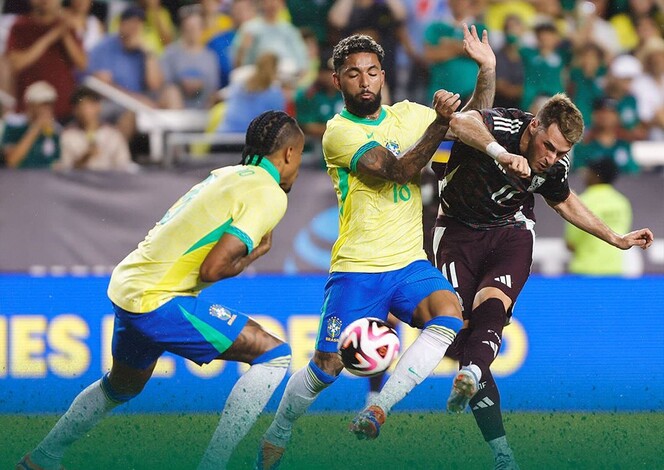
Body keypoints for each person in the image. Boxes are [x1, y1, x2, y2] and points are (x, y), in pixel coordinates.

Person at [255, 25, 496, 469]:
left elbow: (478, 125)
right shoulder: (338, 133)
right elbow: (400, 171)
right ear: (337, 81)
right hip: (358, 266)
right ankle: (279, 430)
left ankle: (378, 408)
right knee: (326, 368)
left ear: (383, 75)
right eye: (352, 74)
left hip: (408, 262)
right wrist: (440, 121)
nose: (364, 82)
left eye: (371, 72)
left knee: (450, 315)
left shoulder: (407, 114)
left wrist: (487, 69)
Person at [16, 110, 305, 470]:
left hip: (129, 288)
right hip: (158, 299)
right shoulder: (268, 192)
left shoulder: (227, 175)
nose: (297, 168)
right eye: (300, 156)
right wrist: (254, 255)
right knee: (273, 355)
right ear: (290, 154)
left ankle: (41, 459)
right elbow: (212, 269)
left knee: (121, 386)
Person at [432, 93, 654, 470]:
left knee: (493, 305)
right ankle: (475, 377)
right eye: (548, 146)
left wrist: (616, 238)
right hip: (457, 232)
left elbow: (564, 201)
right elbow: (459, 123)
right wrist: (501, 154)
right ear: (534, 125)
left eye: (561, 151)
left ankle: (499, 447)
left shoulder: (555, 166)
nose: (551, 157)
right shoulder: (504, 125)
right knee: (465, 335)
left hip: (510, 233)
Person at [5, 0, 87, 121]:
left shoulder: (66, 25)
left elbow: (82, 64)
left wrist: (64, 33)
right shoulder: (20, 26)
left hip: (62, 110)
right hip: (29, 110)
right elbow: (16, 65)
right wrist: (50, 37)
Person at [565, 158, 633, 275]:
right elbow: (624, 235)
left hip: (584, 270)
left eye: (587, 172)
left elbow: (571, 243)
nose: (584, 175)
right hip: (614, 269)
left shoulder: (581, 202)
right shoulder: (622, 203)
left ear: (596, 176)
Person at [54, 86, 136, 172]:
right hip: (78, 183)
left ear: (98, 106)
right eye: (81, 106)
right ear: (75, 110)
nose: (85, 110)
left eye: (89, 105)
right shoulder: (68, 136)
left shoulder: (113, 135)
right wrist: (84, 159)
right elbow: (64, 171)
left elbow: (124, 166)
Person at [1, 81, 60, 169]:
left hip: (46, 180)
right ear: (30, 105)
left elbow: (56, 162)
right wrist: (36, 127)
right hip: (18, 179)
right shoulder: (13, 125)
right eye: (42, 104)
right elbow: (11, 161)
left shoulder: (54, 130)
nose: (47, 109)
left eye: (49, 104)